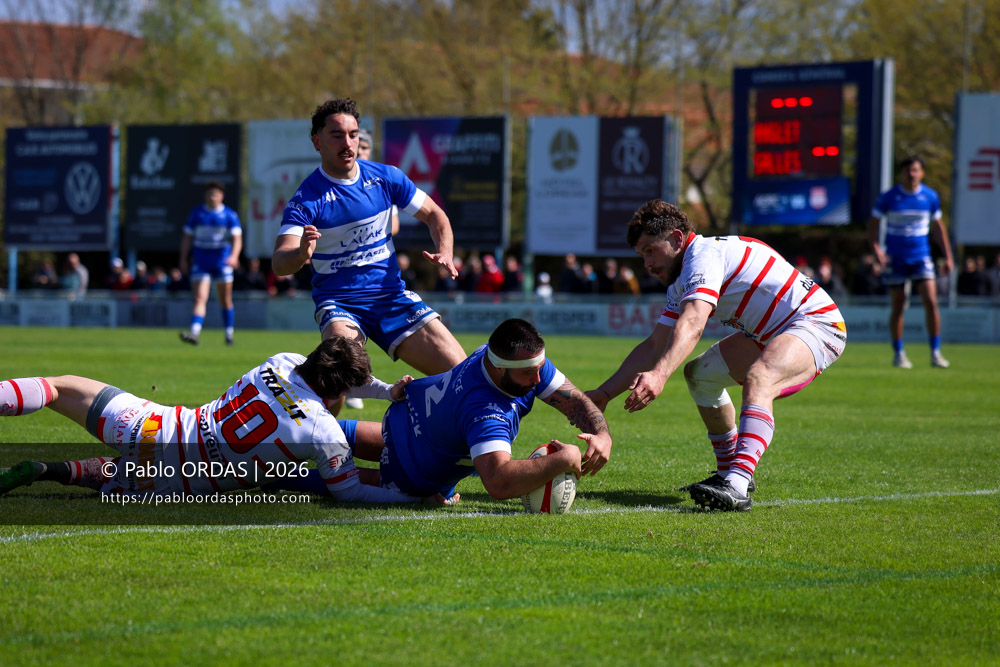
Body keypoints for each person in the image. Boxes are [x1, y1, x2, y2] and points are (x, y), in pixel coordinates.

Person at [587, 200, 846, 512]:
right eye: (642, 255)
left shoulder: (703, 256)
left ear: (677, 239)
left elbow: (693, 323)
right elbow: (655, 345)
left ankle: (737, 484)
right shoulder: (682, 277)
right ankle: (729, 474)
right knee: (700, 375)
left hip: (817, 323)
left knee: (759, 378)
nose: (648, 264)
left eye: (650, 250)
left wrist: (659, 375)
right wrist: (604, 393)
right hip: (771, 333)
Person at [0, 337, 452, 505]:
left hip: (153, 426)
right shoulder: (323, 432)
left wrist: (382, 388)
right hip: (178, 481)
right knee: (117, 477)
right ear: (337, 394)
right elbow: (348, 491)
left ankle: (46, 462)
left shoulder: (281, 362)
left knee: (56, 386)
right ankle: (52, 472)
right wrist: (409, 501)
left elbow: (338, 380)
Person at [273, 319, 613, 501]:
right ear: (498, 368)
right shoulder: (485, 411)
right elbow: (498, 482)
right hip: (408, 477)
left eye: (540, 368)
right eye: (528, 373)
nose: (539, 379)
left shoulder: (505, 358)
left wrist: (601, 433)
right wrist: (565, 459)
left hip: (399, 424)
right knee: (296, 473)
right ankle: (262, 468)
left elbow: (573, 399)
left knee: (313, 443)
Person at [271, 99, 467, 386]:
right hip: (340, 303)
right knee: (335, 379)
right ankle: (330, 420)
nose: (348, 143)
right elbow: (279, 262)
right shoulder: (306, 200)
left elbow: (435, 215)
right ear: (317, 141)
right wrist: (301, 253)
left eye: (353, 135)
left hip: (391, 298)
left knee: (463, 376)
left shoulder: (386, 178)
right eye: (337, 135)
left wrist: (446, 252)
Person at [868, 156, 953, 369]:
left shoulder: (930, 197)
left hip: (921, 257)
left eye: (915, 170)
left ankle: (935, 352)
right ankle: (899, 353)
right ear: (901, 174)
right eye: (907, 170)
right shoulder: (890, 197)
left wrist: (948, 256)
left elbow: (938, 228)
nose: (911, 174)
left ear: (922, 173)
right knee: (898, 305)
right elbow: (873, 223)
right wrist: (877, 248)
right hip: (896, 258)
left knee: (931, 302)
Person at [178, 181, 243, 346]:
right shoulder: (197, 214)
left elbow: (237, 239)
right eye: (210, 193)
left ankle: (229, 335)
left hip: (222, 262)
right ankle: (194, 332)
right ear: (205, 195)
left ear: (222, 196)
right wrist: (183, 258)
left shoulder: (229, 215)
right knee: (200, 298)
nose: (213, 196)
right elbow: (187, 238)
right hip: (201, 262)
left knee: (225, 299)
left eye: (216, 194)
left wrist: (234, 256)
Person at [356, 127, 400, 236]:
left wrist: (371, 236)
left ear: (370, 151)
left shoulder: (382, 181)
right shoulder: (334, 179)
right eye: (356, 147)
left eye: (364, 147)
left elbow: (394, 225)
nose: (359, 152)